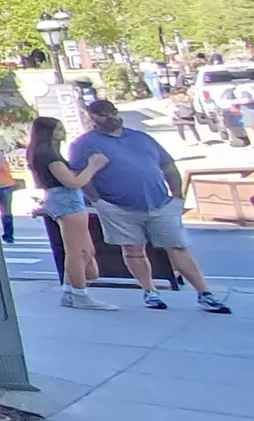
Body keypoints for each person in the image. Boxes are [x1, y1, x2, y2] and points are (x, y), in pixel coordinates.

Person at [66, 99, 232, 311]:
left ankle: (204, 293)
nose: (110, 117)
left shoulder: (140, 137)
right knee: (133, 249)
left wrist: (177, 196)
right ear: (92, 118)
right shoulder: (84, 144)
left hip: (159, 202)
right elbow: (79, 174)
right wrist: (97, 201)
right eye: (103, 114)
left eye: (112, 112)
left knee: (177, 246)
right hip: (117, 206)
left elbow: (167, 165)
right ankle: (149, 290)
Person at [26, 116, 113, 310]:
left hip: (65, 199)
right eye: (58, 129)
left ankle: (69, 291)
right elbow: (73, 183)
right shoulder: (48, 155)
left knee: (86, 250)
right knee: (77, 251)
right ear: (47, 133)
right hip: (66, 200)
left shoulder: (45, 153)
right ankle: (80, 294)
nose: (62, 133)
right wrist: (93, 165)